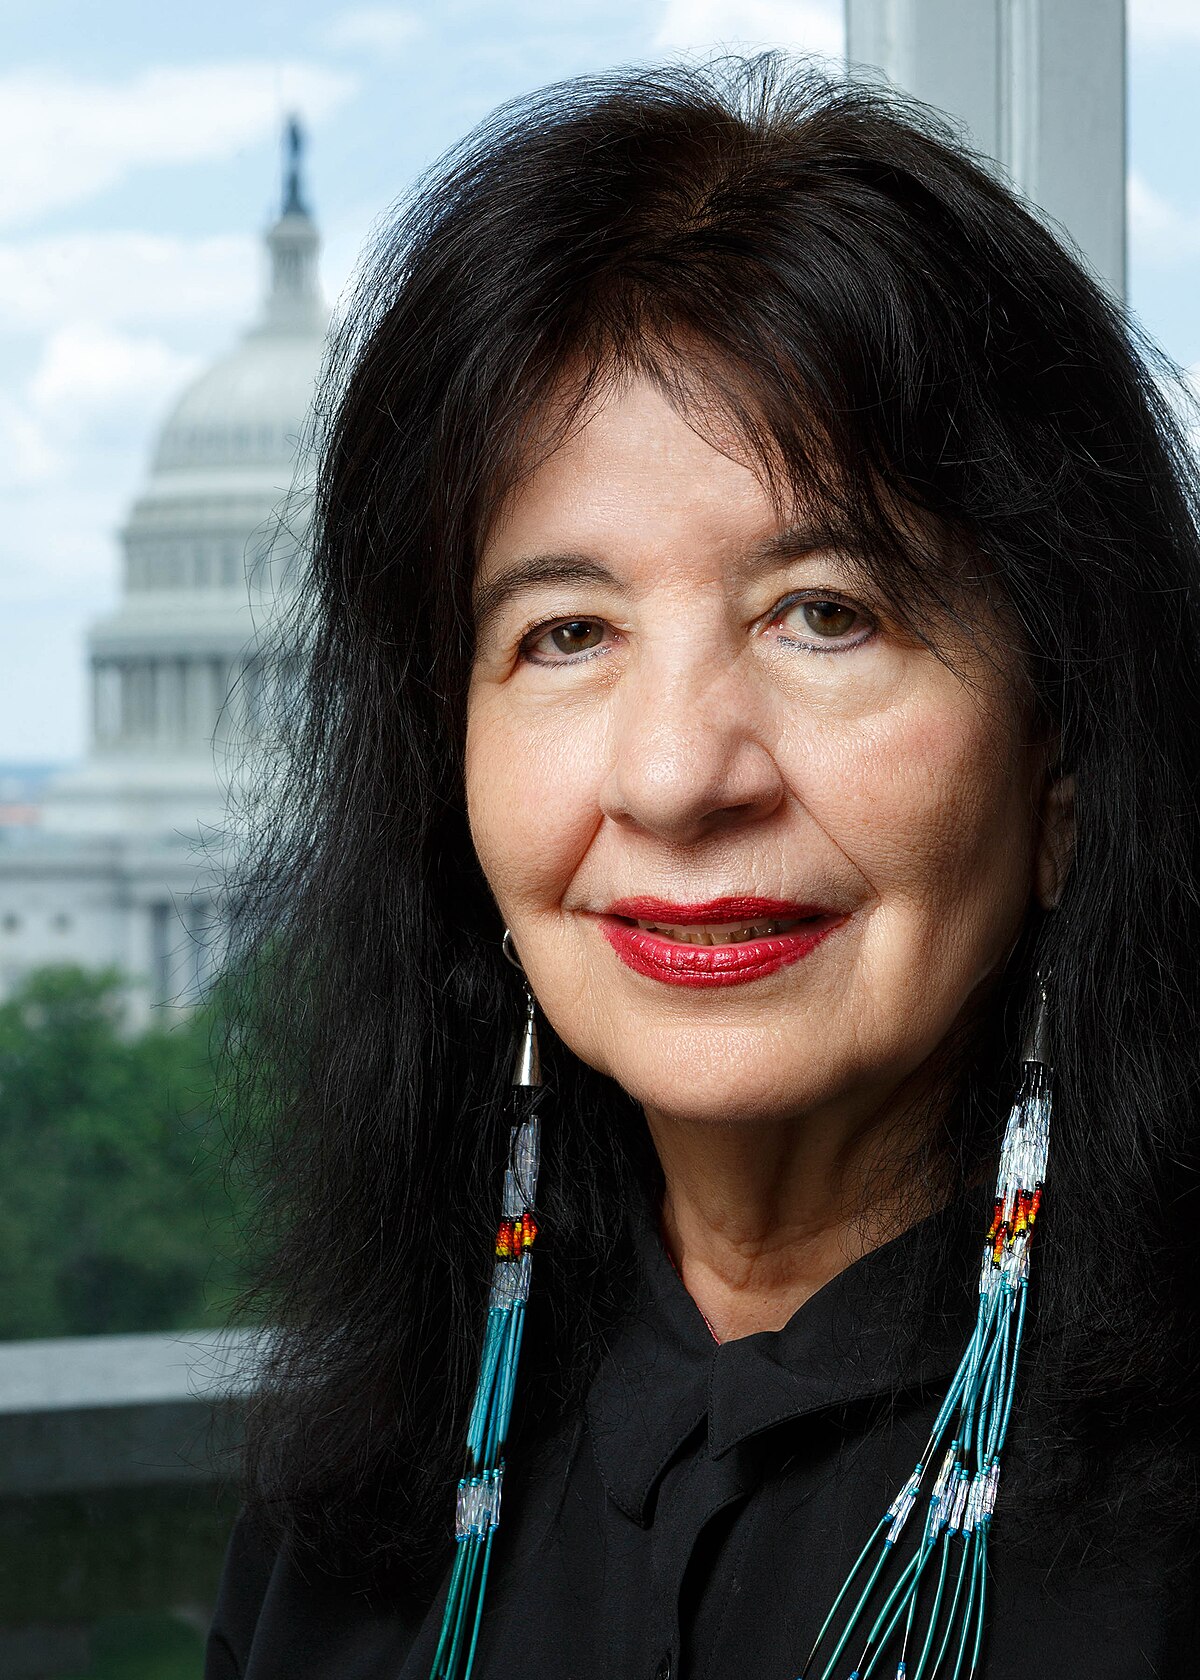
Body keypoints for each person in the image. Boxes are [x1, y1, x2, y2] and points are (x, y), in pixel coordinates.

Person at [206, 53, 1200, 1680]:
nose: (676, 777)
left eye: (827, 612)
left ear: (1068, 765)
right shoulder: (355, 1498)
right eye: (566, 632)